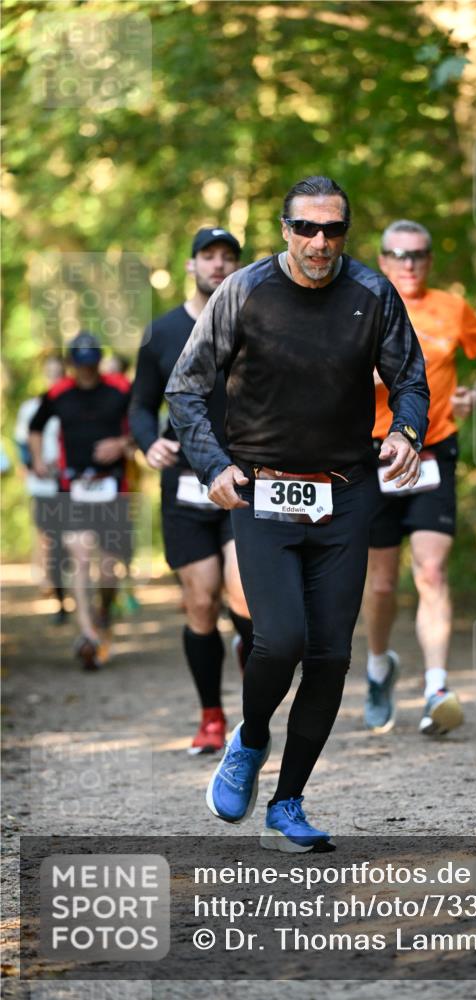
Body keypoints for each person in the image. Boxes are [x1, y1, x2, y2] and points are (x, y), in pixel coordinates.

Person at [165, 176, 429, 853]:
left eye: (332, 230)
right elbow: (187, 387)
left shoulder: (371, 295)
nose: (319, 242)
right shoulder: (244, 291)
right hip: (261, 492)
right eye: (305, 229)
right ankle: (250, 740)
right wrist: (212, 464)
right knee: (277, 640)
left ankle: (287, 804)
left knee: (330, 654)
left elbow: (410, 378)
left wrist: (404, 429)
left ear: (346, 233)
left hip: (345, 494)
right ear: (284, 230)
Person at [363, 220, 476, 736]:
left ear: (429, 260)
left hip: (432, 452)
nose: (408, 263)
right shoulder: (360, 304)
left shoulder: (451, 307)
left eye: (418, 255)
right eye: (398, 254)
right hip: (374, 456)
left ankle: (436, 688)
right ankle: (379, 666)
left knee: (430, 573)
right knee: (381, 583)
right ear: (381, 259)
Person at [130, 227, 254, 755]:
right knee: (199, 602)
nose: (219, 265)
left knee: (244, 596)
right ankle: (210, 716)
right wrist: (145, 444)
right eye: (209, 256)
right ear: (191, 265)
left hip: (242, 478)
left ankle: (256, 716)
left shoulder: (254, 325)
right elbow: (139, 405)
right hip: (183, 483)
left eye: (229, 257)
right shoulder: (160, 332)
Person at [29, 332, 133, 669]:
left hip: (112, 486)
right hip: (71, 485)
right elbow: (35, 425)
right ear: (72, 364)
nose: (86, 372)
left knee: (107, 566)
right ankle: (87, 634)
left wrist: (121, 444)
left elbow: (141, 426)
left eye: (91, 365)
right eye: (80, 365)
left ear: (97, 363)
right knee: (81, 552)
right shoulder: (59, 393)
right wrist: (38, 460)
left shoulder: (119, 389)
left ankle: (104, 612)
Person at [14, 355, 69, 623]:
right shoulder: (31, 408)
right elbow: (22, 442)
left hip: (74, 483)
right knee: (52, 538)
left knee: (77, 542)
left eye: (58, 373)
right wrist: (35, 463)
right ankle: (58, 594)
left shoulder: (73, 403)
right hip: (44, 485)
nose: (54, 377)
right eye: (50, 373)